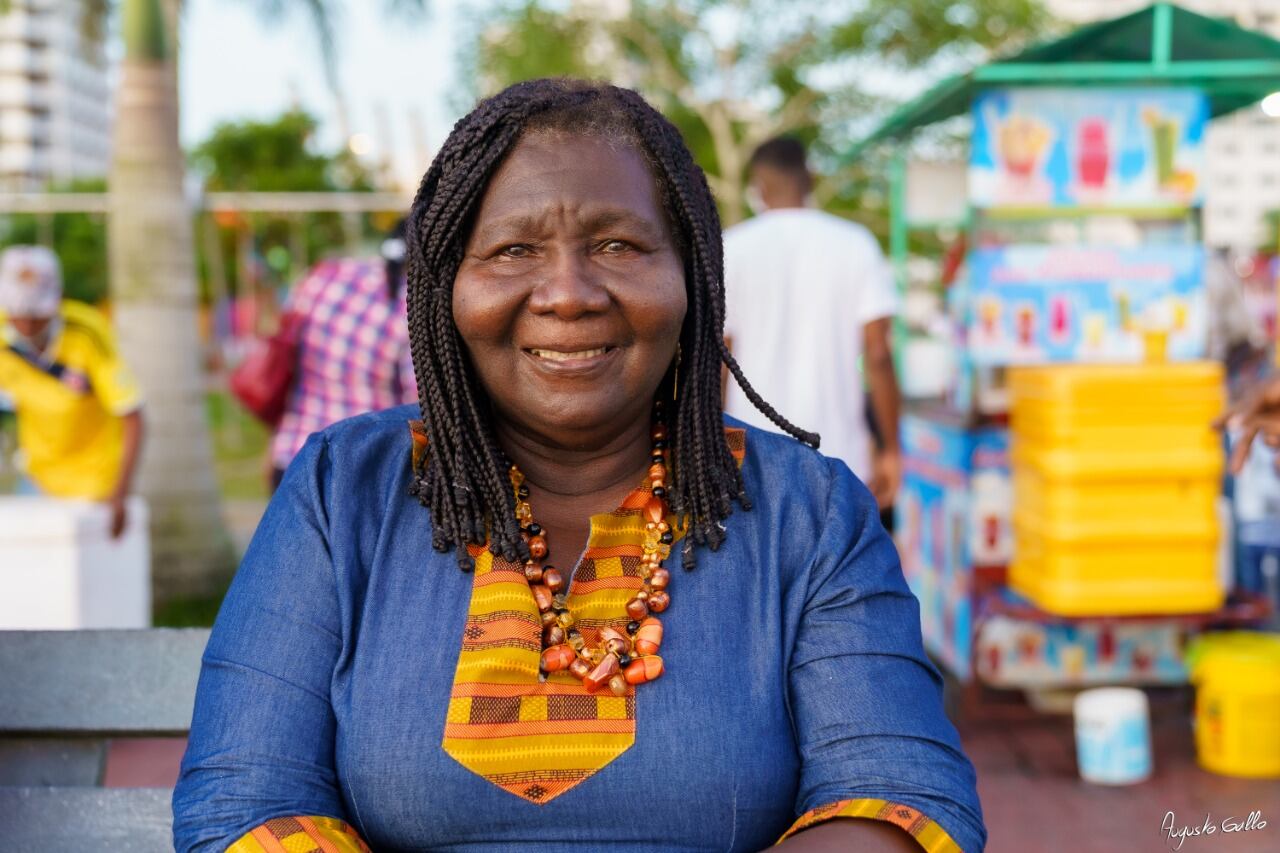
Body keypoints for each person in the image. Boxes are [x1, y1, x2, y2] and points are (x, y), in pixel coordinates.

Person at [173, 80, 985, 853]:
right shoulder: (342, 488)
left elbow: (903, 796)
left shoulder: (809, 510)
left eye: (619, 245)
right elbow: (245, 798)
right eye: (513, 249)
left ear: (691, 275)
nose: (568, 293)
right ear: (448, 285)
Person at [722, 137, 903, 515]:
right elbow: (878, 353)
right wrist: (890, 448)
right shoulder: (856, 244)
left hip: (750, 456)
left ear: (758, 187)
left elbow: (718, 360)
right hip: (841, 458)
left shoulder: (731, 248)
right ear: (812, 179)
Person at [0, 246, 144, 538]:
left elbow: (132, 416)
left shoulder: (88, 331)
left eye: (36, 315)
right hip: (38, 479)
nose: (26, 324)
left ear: (58, 299)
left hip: (96, 486)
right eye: (18, 313)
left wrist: (120, 493)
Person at [267, 220, 418, 489]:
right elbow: (418, 401)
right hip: (362, 470)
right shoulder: (411, 306)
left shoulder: (325, 275)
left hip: (295, 454)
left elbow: (286, 348)